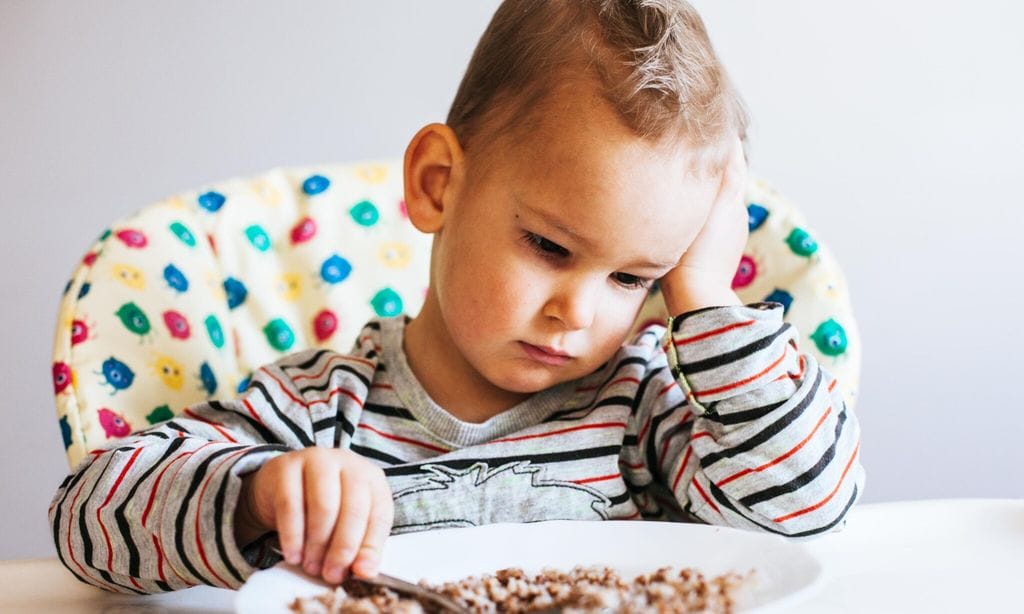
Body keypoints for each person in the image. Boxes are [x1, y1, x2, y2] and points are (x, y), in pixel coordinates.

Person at [49, 0, 863, 594]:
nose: (578, 314)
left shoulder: (643, 407)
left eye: (632, 277)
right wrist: (262, 492)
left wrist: (704, 298)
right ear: (439, 185)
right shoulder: (323, 409)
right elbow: (88, 522)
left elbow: (804, 513)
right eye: (549, 246)